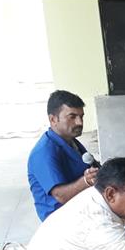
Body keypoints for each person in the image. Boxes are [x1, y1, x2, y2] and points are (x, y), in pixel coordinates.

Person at [27, 90, 99, 221]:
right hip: (61, 220)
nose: (79, 122)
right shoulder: (44, 153)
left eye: (81, 116)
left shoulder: (70, 141)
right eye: (72, 117)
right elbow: (61, 196)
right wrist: (86, 181)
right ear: (53, 119)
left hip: (82, 207)